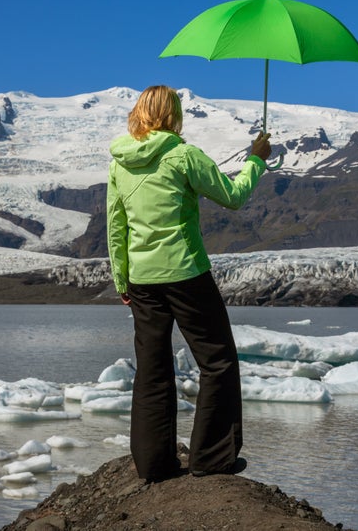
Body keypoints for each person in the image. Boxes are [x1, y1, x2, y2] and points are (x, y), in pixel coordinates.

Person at [106, 85, 272, 482]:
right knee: (217, 361)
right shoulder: (183, 155)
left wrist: (122, 280)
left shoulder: (119, 162)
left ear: (139, 113)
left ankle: (153, 464)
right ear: (173, 114)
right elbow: (232, 196)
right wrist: (256, 160)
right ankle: (211, 459)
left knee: (152, 368)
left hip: (142, 280)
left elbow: (116, 225)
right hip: (185, 272)